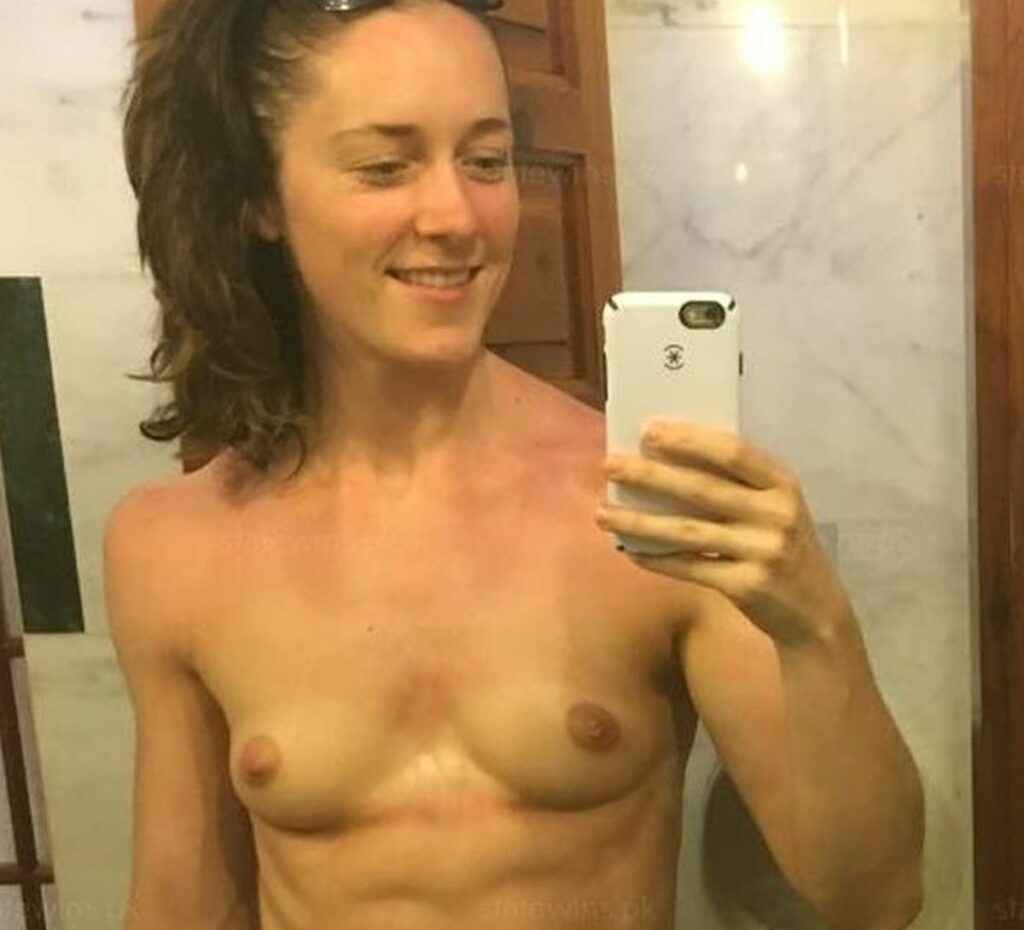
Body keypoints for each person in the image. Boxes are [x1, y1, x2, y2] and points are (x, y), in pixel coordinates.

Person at [103, 1, 926, 928]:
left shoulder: (648, 506)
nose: (457, 216)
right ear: (260, 197)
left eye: (487, 161)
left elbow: (876, 898)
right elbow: (180, 909)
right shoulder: (175, 547)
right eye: (385, 167)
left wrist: (817, 627)